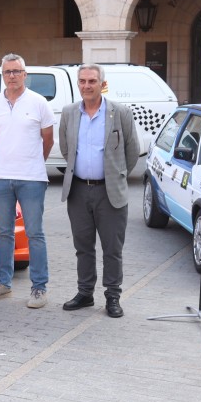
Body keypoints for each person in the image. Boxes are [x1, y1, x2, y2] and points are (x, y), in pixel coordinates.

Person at [58, 64, 140, 318]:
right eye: (82, 81)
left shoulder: (120, 113)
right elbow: (65, 148)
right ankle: (85, 293)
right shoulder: (70, 113)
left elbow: (132, 151)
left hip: (110, 192)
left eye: (92, 81)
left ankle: (113, 296)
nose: (86, 86)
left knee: (112, 249)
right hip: (79, 191)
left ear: (101, 83)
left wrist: (116, 175)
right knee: (83, 247)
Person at [0, 54, 55, 308]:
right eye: (7, 72)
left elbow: (48, 140)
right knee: (3, 233)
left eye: (16, 71)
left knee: (34, 233)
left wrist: (33, 161)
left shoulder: (38, 102)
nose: (11, 76)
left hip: (31, 179)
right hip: (0, 177)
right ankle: (3, 284)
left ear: (25, 74)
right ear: (2, 76)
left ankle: (39, 288)